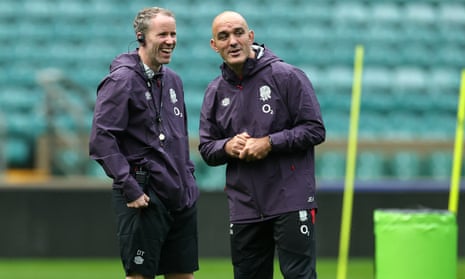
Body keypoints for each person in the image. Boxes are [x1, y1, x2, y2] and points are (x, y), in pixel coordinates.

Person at [198, 11, 326, 279]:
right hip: (244, 205)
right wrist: (228, 146)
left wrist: (269, 142)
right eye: (223, 36)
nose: (232, 41)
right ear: (214, 45)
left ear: (250, 36)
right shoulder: (214, 91)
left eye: (238, 33)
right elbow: (207, 148)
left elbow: (315, 129)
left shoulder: (287, 75)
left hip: (290, 198)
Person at [89, 7, 199, 279]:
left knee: (183, 274)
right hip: (144, 194)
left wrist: (188, 180)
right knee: (139, 275)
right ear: (141, 37)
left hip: (179, 195)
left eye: (173, 34)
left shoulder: (174, 80)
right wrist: (130, 188)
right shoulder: (122, 80)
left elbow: (181, 136)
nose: (170, 40)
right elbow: (102, 139)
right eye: (162, 34)